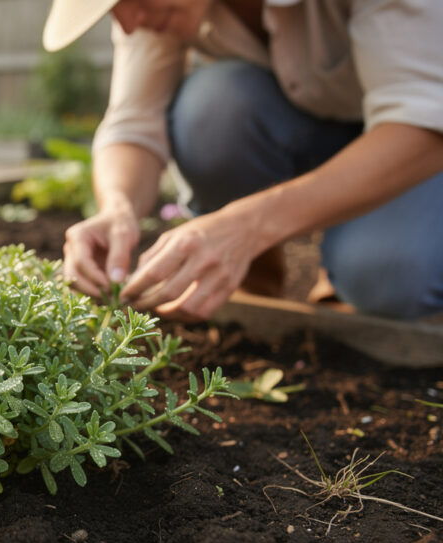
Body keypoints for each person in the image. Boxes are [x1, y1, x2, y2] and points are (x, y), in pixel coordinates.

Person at [43, 0, 443, 321]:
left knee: (388, 275)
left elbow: (421, 124)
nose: (128, 23)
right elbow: (132, 124)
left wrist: (250, 225)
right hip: (326, 125)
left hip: (421, 146)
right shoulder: (157, 12)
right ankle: (252, 288)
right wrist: (118, 207)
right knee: (213, 111)